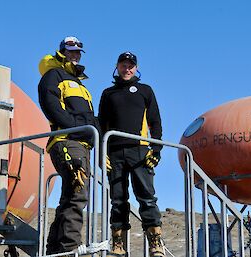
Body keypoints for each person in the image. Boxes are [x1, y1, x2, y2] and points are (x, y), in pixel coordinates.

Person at [99, 52, 165, 257]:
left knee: (146, 198)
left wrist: (156, 149)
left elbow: (155, 122)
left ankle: (155, 242)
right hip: (115, 153)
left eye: (131, 66)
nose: (127, 69)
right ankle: (118, 244)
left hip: (140, 151)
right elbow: (101, 126)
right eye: (123, 65)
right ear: (117, 67)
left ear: (136, 68)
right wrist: (103, 153)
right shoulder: (108, 93)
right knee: (118, 200)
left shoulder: (145, 91)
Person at [38, 36, 98, 255]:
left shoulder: (81, 85)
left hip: (82, 143)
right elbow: (51, 106)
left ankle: (55, 250)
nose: (75, 55)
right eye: (71, 51)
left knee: (69, 197)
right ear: (61, 52)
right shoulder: (53, 76)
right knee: (77, 195)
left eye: (78, 52)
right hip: (66, 142)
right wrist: (74, 127)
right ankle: (70, 249)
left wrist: (97, 139)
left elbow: (90, 118)